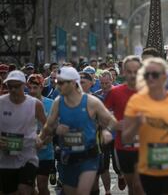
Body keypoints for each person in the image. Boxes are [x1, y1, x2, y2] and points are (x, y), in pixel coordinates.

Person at [38, 66, 119, 195]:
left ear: (73, 83)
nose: (58, 86)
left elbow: (112, 122)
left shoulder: (92, 102)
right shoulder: (59, 102)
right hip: (68, 157)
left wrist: (107, 132)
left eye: (61, 83)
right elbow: (48, 126)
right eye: (57, 82)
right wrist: (45, 136)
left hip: (88, 157)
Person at [123, 57, 168, 195]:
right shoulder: (136, 101)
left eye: (154, 75)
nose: (150, 78)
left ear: (165, 77)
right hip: (149, 168)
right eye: (146, 75)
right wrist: (137, 122)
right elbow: (126, 138)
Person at [0, 70, 47, 195]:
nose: (13, 90)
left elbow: (47, 126)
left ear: (23, 86)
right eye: (10, 87)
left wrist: (41, 138)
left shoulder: (35, 104)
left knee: (24, 190)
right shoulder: (1, 103)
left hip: (28, 156)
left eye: (16, 86)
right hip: (6, 158)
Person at [104, 56, 143, 194]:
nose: (133, 75)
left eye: (136, 71)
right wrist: (115, 125)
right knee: (132, 187)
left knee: (139, 186)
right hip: (124, 146)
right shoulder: (115, 92)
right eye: (129, 71)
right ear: (123, 72)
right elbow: (104, 115)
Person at [27, 74, 55, 195]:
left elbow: (53, 127)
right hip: (27, 153)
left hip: (45, 153)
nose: (32, 91)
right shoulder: (24, 103)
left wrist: (46, 139)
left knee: (42, 185)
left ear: (41, 87)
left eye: (35, 87)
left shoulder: (51, 103)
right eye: (30, 87)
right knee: (29, 188)